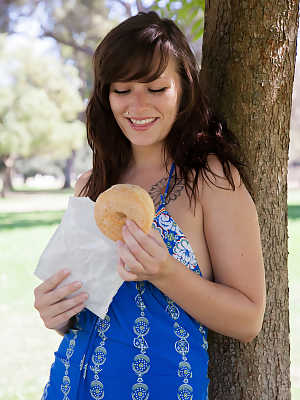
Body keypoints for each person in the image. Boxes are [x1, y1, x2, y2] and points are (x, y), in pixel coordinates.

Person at [34, 11, 266, 400]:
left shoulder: (210, 179)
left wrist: (164, 272)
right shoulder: (90, 186)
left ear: (184, 90)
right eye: (122, 90)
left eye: (156, 89)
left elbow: (249, 318)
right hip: (67, 386)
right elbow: (83, 309)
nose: (137, 105)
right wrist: (57, 313)